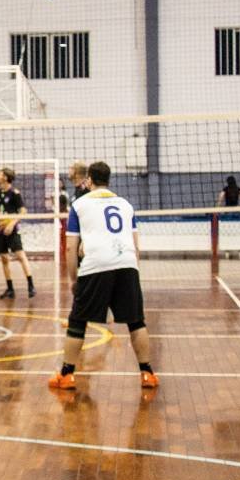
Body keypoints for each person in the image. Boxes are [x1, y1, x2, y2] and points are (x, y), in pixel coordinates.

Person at [49, 162, 159, 391]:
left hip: (96, 265)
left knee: (78, 321)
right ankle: (147, 373)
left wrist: (74, 280)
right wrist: (133, 272)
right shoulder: (126, 205)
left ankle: (67, 375)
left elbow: (70, 248)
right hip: (127, 264)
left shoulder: (79, 205)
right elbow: (136, 246)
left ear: (89, 180)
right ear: (109, 179)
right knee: (136, 321)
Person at [0, 167, 35, 300]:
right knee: (4, 259)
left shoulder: (14, 193)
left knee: (20, 255)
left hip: (12, 230)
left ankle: (31, 285)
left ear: (5, 177)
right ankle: (10, 289)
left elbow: (23, 211)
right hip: (0, 230)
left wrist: (12, 224)